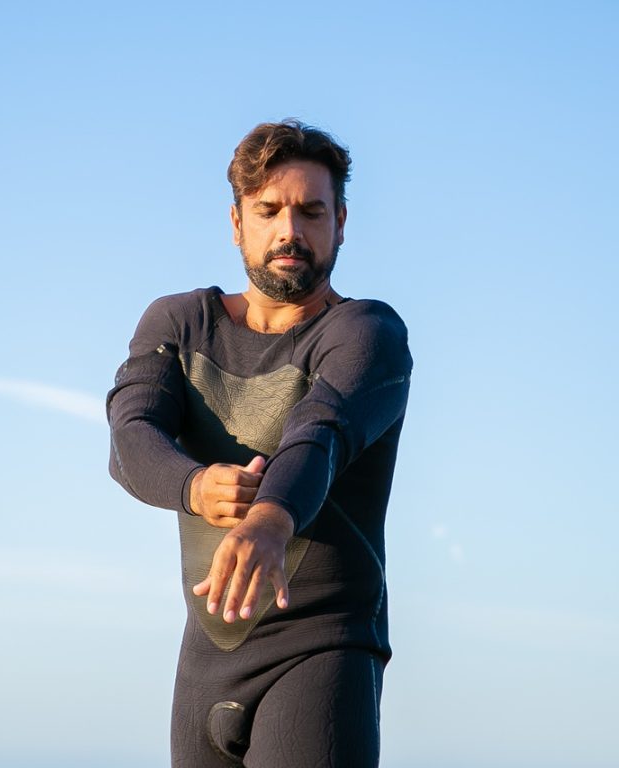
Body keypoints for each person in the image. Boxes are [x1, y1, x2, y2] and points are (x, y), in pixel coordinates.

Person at [107, 120, 413, 768]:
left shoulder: (368, 333)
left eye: (311, 211)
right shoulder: (178, 323)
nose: (290, 231)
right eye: (269, 210)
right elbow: (131, 437)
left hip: (323, 656)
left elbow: (322, 431)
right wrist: (192, 485)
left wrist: (269, 521)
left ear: (341, 222)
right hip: (203, 672)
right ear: (237, 220)